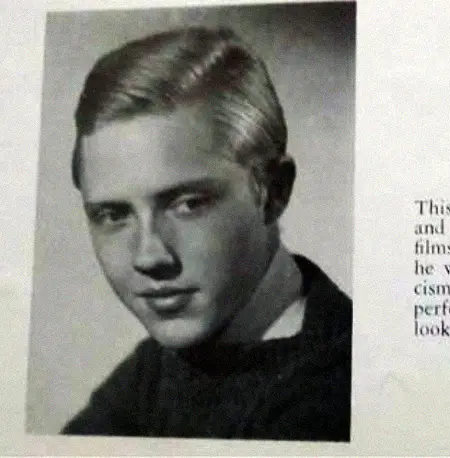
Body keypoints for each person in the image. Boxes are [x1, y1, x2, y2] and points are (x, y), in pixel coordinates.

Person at [61, 27, 352, 441]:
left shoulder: (332, 397)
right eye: (113, 214)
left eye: (188, 204)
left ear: (273, 191)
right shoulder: (164, 363)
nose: (149, 256)